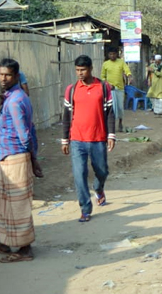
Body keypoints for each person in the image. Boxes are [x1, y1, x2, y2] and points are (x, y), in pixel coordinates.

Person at [0, 58, 38, 263]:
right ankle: (4, 242)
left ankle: (24, 249)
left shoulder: (16, 100)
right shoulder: (10, 97)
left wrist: (34, 160)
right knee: (3, 203)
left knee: (18, 205)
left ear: (17, 76)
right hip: (5, 156)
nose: (3, 78)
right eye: (1, 74)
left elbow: (24, 134)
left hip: (15, 157)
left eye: (7, 75)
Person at [61, 55, 116, 223]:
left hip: (98, 139)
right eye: (77, 70)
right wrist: (64, 139)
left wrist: (111, 135)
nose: (80, 73)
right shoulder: (71, 90)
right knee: (79, 174)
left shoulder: (104, 87)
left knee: (102, 171)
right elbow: (66, 116)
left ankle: (98, 189)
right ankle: (85, 208)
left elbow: (110, 113)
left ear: (91, 69)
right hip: (77, 140)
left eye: (83, 70)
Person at [101, 47, 133, 132]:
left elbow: (126, 70)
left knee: (119, 107)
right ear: (108, 55)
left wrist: (129, 76)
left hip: (120, 88)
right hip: (109, 89)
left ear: (117, 54)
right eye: (110, 54)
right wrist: (107, 84)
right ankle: (111, 125)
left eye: (114, 54)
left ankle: (120, 123)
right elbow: (103, 77)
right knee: (112, 108)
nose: (112, 56)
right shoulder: (105, 64)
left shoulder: (121, 62)